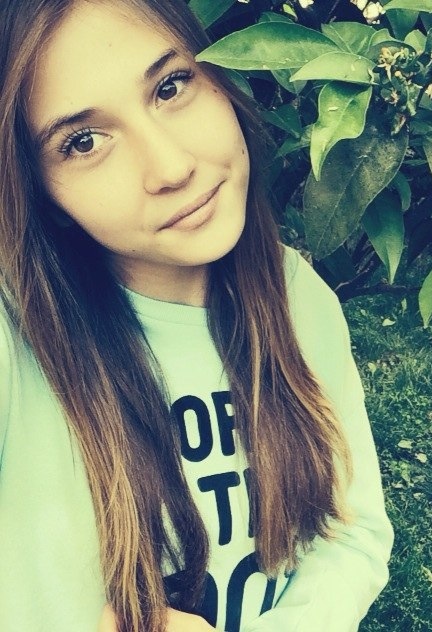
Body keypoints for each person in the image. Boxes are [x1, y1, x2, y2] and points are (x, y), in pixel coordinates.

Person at [0, 1, 393, 631]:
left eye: (170, 86)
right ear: (40, 194)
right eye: (84, 141)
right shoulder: (18, 343)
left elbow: (352, 531)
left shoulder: (300, 298)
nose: (172, 167)